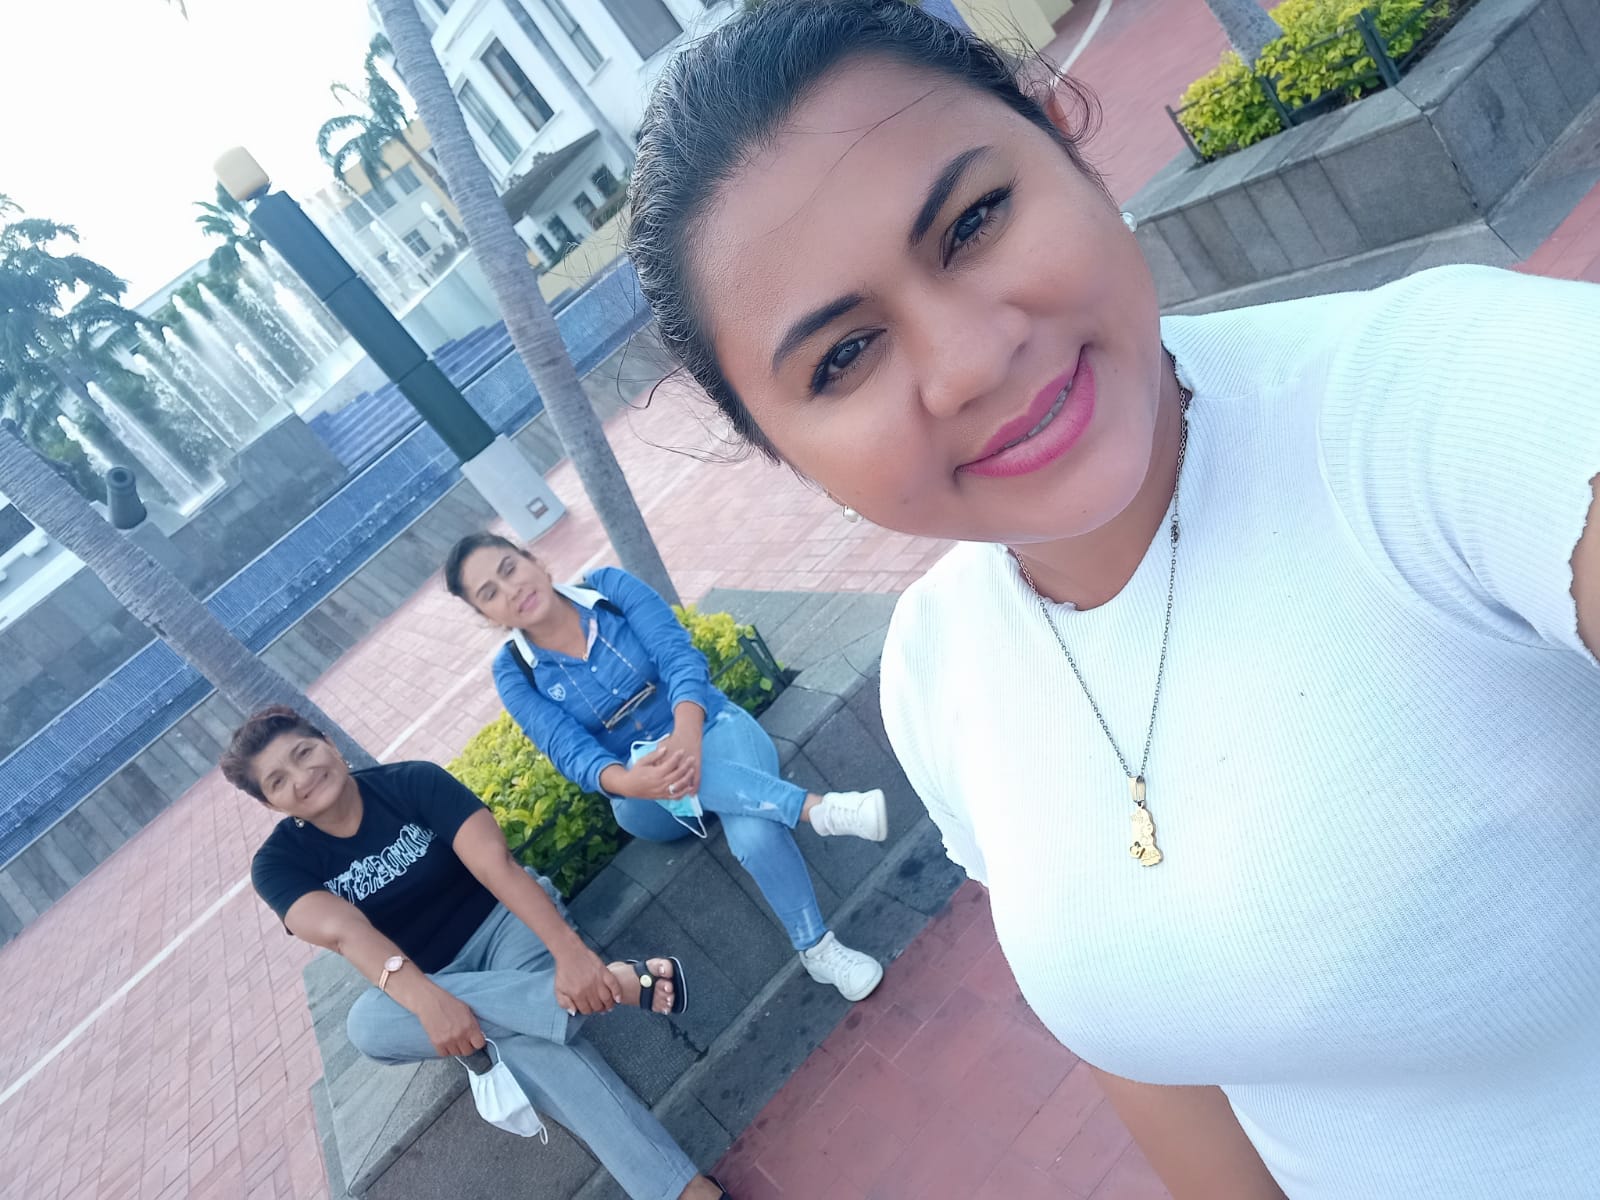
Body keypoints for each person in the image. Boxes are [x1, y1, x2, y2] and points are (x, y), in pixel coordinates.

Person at [621, 2, 1600, 1197]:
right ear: (784, 455)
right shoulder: (935, 670)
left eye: (973, 222)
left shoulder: (1441, 407)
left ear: (1068, 151)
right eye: (842, 358)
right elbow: (1147, 1044)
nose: (970, 359)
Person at [224, 706, 733, 1200]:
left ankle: (685, 1192)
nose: (302, 777)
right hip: (429, 977)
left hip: (505, 925)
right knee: (368, 1027)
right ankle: (619, 986)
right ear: (271, 805)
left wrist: (570, 953)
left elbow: (497, 866)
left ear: (330, 743)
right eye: (277, 780)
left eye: (303, 752)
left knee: (528, 1044)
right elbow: (347, 934)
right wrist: (428, 1001)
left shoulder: (412, 782)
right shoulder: (278, 865)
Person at [443, 533, 889, 1002]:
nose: (511, 589)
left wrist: (687, 736)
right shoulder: (515, 671)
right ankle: (818, 810)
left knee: (755, 833)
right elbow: (569, 750)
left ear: (533, 560)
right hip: (644, 794)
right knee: (645, 767)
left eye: (509, 568)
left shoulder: (608, 589)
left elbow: (679, 657)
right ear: (487, 615)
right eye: (490, 593)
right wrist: (629, 781)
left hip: (710, 728)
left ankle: (818, 950)